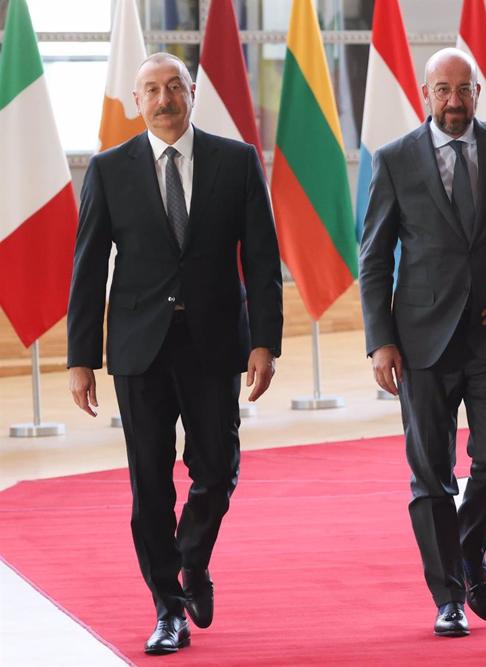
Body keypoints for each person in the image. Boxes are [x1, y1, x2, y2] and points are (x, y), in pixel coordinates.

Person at [66, 53, 283, 655]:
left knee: (218, 468)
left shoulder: (236, 162)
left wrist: (265, 340)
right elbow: (88, 268)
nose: (163, 100)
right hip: (140, 348)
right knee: (150, 487)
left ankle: (190, 561)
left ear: (192, 93)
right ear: (137, 102)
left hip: (215, 343)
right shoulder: (108, 170)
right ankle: (168, 609)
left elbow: (263, 260)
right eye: (151, 91)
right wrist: (80, 356)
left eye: (173, 88)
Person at [359, 48, 486, 637]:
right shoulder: (395, 160)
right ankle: (448, 596)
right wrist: (380, 341)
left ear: (478, 92)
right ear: (426, 95)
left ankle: (469, 550)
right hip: (420, 342)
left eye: (462, 90)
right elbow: (373, 258)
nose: (452, 101)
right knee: (431, 474)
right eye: (441, 90)